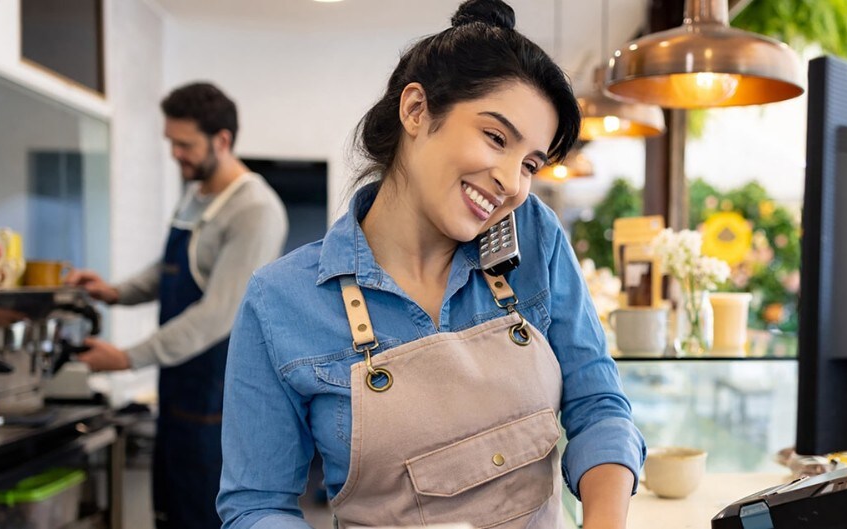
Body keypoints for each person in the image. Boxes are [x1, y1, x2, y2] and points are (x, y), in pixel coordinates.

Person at [216, 1, 646, 528]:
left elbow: (598, 405)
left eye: (530, 164)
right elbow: (256, 506)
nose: (512, 183)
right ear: (416, 109)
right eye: (495, 138)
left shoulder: (533, 238)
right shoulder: (280, 301)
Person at [66, 82, 288, 528]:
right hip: (178, 388)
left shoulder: (254, 210)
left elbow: (217, 314)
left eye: (184, 144)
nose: (175, 155)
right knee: (170, 512)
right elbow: (167, 269)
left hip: (217, 398)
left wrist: (128, 357)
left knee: (204, 514)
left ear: (221, 140)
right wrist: (114, 292)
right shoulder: (197, 194)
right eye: (171, 143)